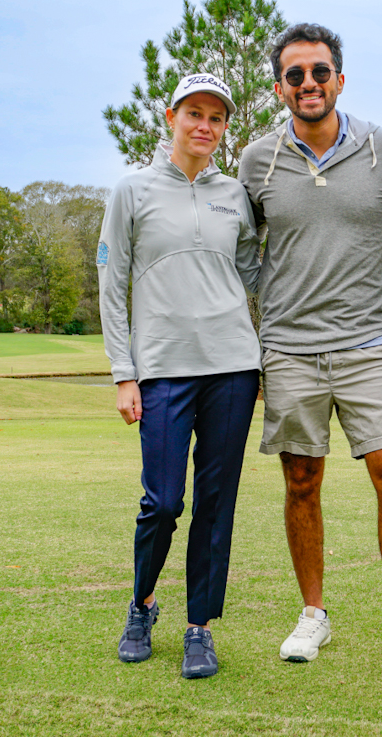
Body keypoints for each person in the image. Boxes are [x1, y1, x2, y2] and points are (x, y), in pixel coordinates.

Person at [237, 23, 382, 673]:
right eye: (295, 74)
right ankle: (313, 614)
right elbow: (245, 255)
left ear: (339, 80)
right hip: (291, 352)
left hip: (368, 343)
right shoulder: (256, 159)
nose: (308, 84)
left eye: (319, 72)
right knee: (302, 480)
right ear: (280, 86)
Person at [98, 72, 261, 680]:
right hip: (163, 369)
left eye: (216, 117)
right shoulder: (132, 191)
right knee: (163, 503)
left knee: (216, 505)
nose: (205, 125)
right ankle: (141, 606)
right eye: (194, 113)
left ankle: (200, 627)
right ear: (171, 117)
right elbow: (111, 287)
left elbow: (256, 274)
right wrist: (123, 372)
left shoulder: (233, 195)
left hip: (234, 368)